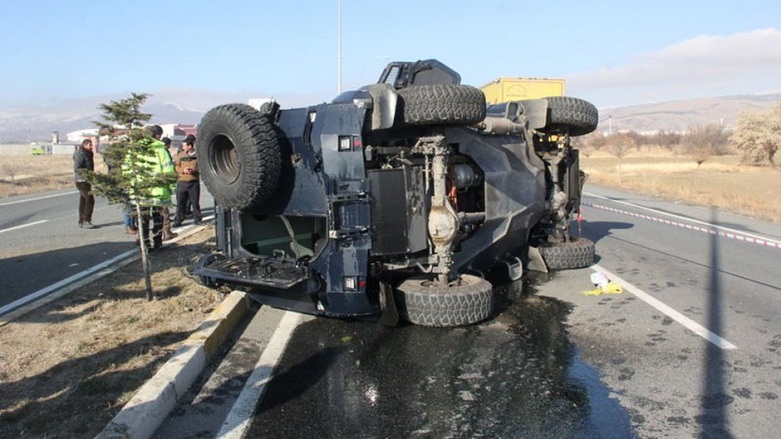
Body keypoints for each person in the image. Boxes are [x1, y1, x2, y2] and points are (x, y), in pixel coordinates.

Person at [124, 125, 176, 250]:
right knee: (158, 217)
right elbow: (169, 170)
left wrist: (131, 187)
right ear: (158, 135)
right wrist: (171, 187)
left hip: (141, 190)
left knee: (143, 219)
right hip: (159, 190)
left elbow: (127, 170)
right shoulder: (160, 150)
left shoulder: (134, 150)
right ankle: (158, 242)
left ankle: (145, 244)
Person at [173, 134, 203, 226]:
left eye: (184, 145)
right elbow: (176, 166)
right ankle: (178, 220)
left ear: (190, 146)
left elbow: (202, 168)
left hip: (193, 183)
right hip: (182, 182)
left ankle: (197, 219)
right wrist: (183, 170)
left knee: (195, 203)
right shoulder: (181, 154)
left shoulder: (198, 155)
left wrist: (195, 170)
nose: (183, 147)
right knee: (180, 203)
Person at [73, 139, 96, 229]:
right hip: (81, 180)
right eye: (90, 145)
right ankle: (86, 220)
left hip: (87, 180)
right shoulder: (80, 153)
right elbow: (77, 167)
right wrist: (86, 173)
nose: (91, 147)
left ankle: (82, 220)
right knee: (90, 199)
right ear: (85, 145)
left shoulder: (88, 153)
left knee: (83, 200)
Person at [160, 137, 178, 241]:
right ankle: (166, 232)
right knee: (164, 212)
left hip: (146, 189)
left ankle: (142, 238)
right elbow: (169, 171)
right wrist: (172, 186)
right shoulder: (163, 152)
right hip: (161, 188)